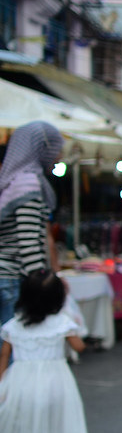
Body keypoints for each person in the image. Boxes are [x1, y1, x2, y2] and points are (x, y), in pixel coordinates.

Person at [0, 270, 89, 433]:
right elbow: (79, 346)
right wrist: (76, 327)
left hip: (21, 383)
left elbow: (4, 356)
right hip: (55, 384)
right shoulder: (61, 322)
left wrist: (2, 386)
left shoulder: (14, 325)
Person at [0, 121, 63, 332]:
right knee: (11, 351)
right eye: (56, 148)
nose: (59, 157)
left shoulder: (10, 181)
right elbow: (28, 241)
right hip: (12, 278)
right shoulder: (28, 182)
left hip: (5, 275)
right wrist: (44, 283)